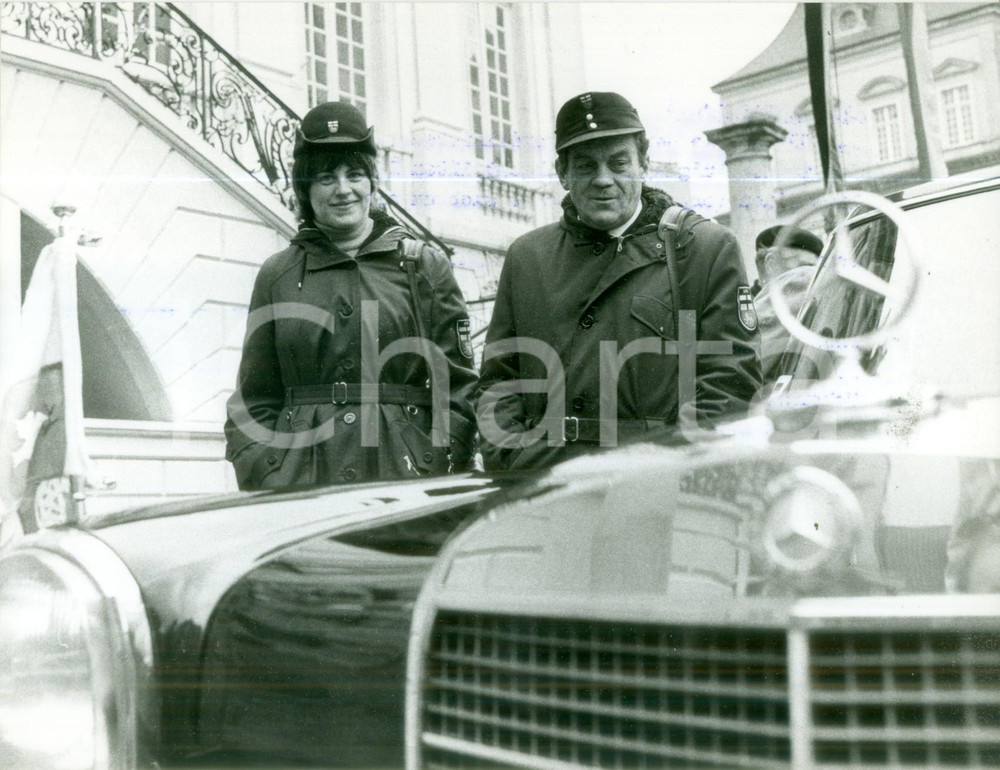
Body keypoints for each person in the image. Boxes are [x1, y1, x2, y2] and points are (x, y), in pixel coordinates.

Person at [475, 91, 761, 471]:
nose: (603, 180)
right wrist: (513, 459)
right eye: (585, 166)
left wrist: (670, 469)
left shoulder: (701, 249)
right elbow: (500, 381)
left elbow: (729, 384)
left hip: (653, 485)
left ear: (644, 161)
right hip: (543, 485)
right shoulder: (527, 257)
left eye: (618, 163)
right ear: (562, 173)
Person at [224, 102, 477, 490]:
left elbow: (457, 386)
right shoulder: (277, 274)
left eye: (354, 174)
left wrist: (440, 459)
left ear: (372, 184)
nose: (343, 190)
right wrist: (263, 469)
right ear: (305, 191)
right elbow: (255, 397)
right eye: (326, 178)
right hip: (299, 485)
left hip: (403, 478)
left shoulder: (423, 266)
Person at [752, 224, 824, 384]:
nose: (815, 277)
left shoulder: (733, 307)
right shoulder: (802, 283)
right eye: (804, 267)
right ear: (770, 264)